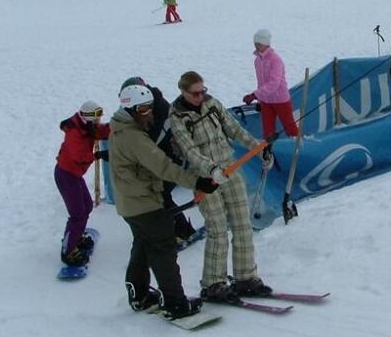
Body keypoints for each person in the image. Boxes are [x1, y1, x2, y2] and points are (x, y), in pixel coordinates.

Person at [110, 84, 219, 320]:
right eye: (143, 109)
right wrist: (198, 182)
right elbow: (163, 166)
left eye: (150, 107)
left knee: (143, 246)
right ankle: (175, 303)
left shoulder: (120, 128)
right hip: (144, 203)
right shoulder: (133, 136)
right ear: (130, 109)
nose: (149, 113)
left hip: (130, 204)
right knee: (163, 249)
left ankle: (139, 294)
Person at [170, 71, 274, 304]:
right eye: (195, 93)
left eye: (203, 91)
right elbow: (190, 151)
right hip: (205, 178)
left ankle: (245, 277)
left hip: (230, 167)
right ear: (183, 92)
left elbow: (235, 129)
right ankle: (213, 283)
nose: (200, 96)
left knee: (242, 224)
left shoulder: (212, 104)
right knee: (217, 229)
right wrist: (211, 169)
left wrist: (259, 149)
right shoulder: (177, 117)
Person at [119, 76, 198, 241]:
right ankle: (175, 229)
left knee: (161, 195)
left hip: (173, 159)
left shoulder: (160, 109)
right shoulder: (143, 107)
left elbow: (149, 142)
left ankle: (182, 231)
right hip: (159, 159)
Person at [55, 101, 110, 267]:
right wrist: (98, 155)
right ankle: (68, 251)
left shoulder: (86, 126)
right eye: (97, 116)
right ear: (89, 116)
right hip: (66, 176)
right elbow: (78, 156)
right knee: (78, 214)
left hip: (74, 175)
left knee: (87, 206)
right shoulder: (74, 132)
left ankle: (76, 237)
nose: (99, 119)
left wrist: (115, 127)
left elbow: (100, 131)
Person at [243, 30, 299, 138]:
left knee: (290, 128)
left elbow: (273, 84)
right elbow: (261, 83)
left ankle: (297, 146)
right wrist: (260, 99)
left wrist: (254, 95)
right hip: (265, 101)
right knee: (268, 132)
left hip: (281, 100)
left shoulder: (275, 60)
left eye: (259, 44)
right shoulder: (257, 61)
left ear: (266, 44)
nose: (257, 46)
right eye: (255, 44)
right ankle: (269, 147)